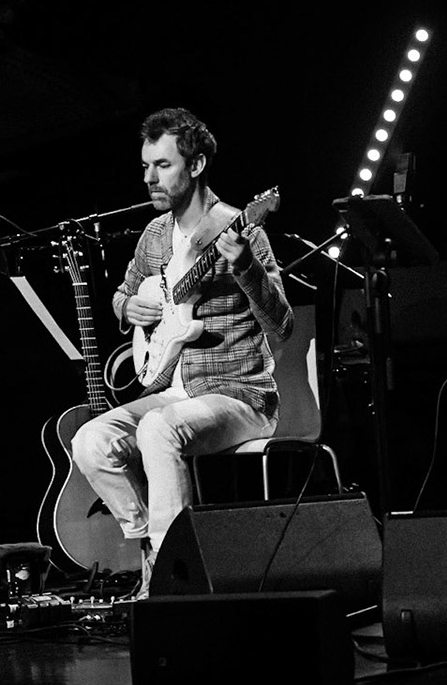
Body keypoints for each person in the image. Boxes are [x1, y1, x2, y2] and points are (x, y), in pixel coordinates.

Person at [70, 110, 293, 595]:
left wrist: (247, 268)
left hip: (240, 396)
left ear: (196, 166)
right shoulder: (153, 237)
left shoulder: (243, 230)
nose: (148, 177)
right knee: (90, 441)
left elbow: (283, 323)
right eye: (146, 165)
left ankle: (177, 582)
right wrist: (131, 307)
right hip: (169, 392)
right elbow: (121, 295)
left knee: (156, 428)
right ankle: (155, 549)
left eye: (162, 165)